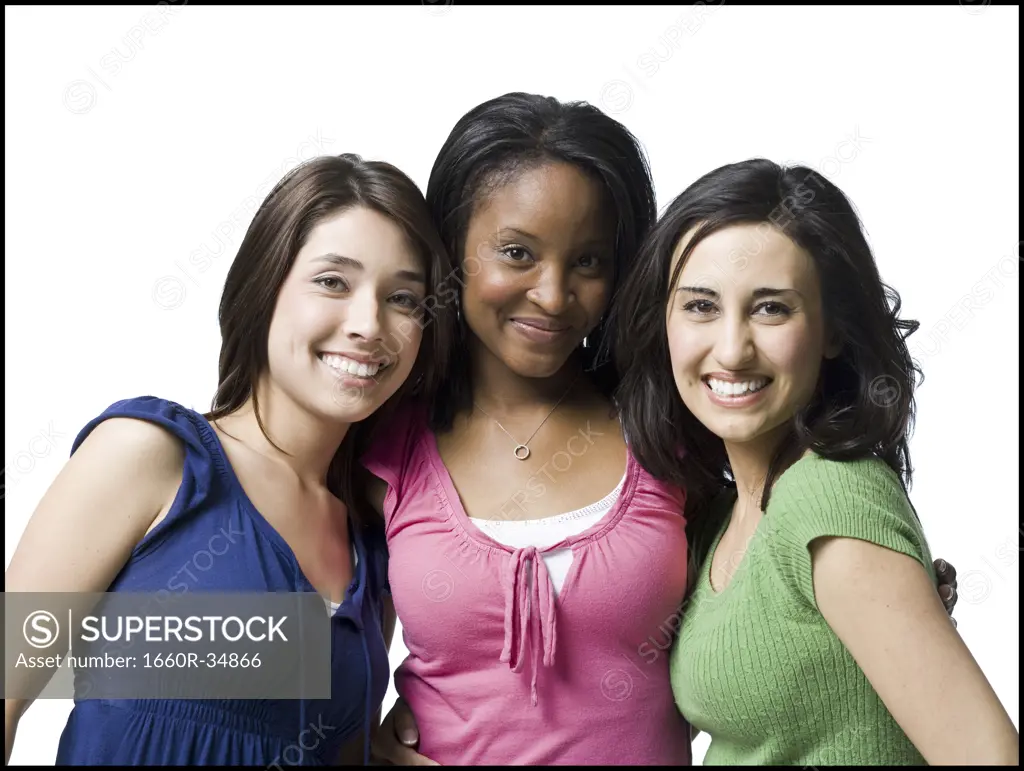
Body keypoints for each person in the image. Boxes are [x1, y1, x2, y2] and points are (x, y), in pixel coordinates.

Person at [364, 93, 961, 765]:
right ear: (451, 249)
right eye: (516, 252)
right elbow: (309, 658)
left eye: (589, 261)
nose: (555, 294)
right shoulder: (382, 445)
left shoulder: (671, 429)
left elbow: (769, 569)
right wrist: (361, 740)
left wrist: (905, 603)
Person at [4, 153, 457, 766]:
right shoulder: (153, 457)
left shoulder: (373, 550)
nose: (367, 324)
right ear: (266, 286)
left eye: (403, 299)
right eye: (332, 281)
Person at [613, 158, 1018, 764]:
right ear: (664, 322)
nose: (731, 348)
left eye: (771, 309)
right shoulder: (722, 515)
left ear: (831, 331)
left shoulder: (831, 495)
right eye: (700, 306)